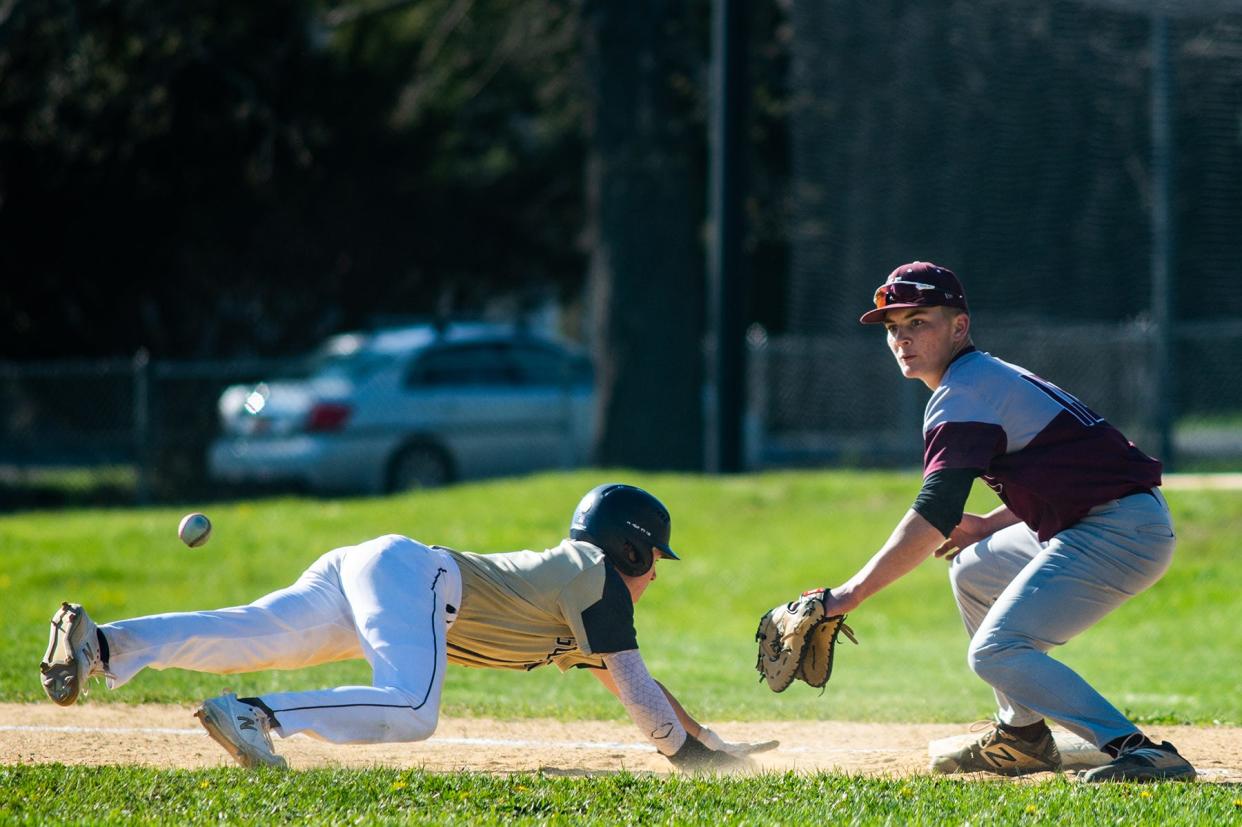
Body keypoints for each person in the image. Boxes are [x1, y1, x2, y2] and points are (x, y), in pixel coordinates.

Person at [39, 483, 773, 771]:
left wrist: (706, 738)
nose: (654, 576)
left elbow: (633, 683)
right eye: (654, 561)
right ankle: (258, 716)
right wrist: (693, 762)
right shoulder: (597, 574)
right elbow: (636, 680)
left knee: (256, 631)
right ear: (632, 548)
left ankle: (101, 643)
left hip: (385, 571)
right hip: (413, 580)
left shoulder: (577, 593)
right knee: (415, 709)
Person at [810, 261, 1194, 782]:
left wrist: (848, 595)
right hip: (1109, 520)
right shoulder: (981, 377)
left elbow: (935, 511)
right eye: (892, 327)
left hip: (1117, 531)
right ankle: (1023, 737)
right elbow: (1069, 470)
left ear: (959, 326)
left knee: (995, 651)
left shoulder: (966, 391)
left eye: (919, 321)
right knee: (973, 568)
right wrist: (988, 526)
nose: (902, 337)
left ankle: (1138, 749)